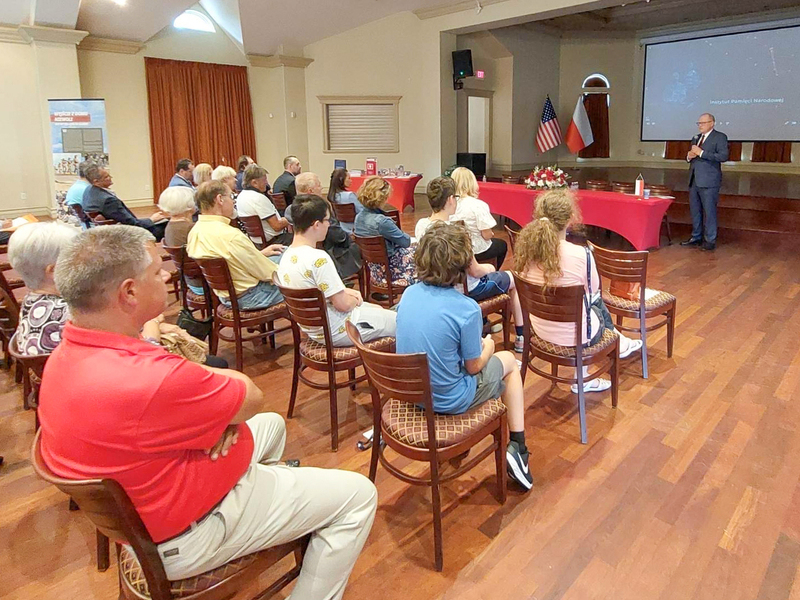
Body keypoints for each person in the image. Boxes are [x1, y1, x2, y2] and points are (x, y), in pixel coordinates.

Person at [38, 225, 376, 598]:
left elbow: (224, 407)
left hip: (150, 497)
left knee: (271, 426)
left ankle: (269, 507)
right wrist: (218, 405)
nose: (167, 275)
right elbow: (250, 394)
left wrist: (220, 419)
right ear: (129, 292)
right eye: (156, 271)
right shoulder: (150, 377)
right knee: (358, 495)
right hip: (186, 533)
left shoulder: (63, 356)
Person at [396, 222, 532, 490]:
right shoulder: (466, 309)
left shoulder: (409, 294)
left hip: (412, 393)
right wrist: (489, 347)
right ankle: (519, 446)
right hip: (450, 399)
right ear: (463, 263)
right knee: (510, 363)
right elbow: (473, 368)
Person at [515, 189, 643, 393]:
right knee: (594, 303)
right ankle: (587, 374)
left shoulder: (526, 253)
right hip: (578, 337)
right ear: (569, 220)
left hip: (539, 330)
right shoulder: (582, 254)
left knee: (585, 304)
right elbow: (593, 294)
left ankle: (621, 341)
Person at [417, 176, 526, 352]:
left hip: (436, 286)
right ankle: (521, 336)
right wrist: (490, 268)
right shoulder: (457, 232)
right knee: (513, 279)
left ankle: (483, 321)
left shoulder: (421, 226)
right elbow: (475, 271)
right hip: (465, 289)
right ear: (451, 199)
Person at [279, 195, 395, 346]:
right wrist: (354, 299)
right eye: (327, 220)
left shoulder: (287, 255)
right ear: (316, 225)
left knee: (378, 309)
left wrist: (347, 293)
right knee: (400, 322)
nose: (329, 225)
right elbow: (343, 305)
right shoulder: (318, 259)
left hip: (315, 329)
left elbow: (324, 293)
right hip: (337, 330)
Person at [187, 180, 285, 311]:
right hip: (254, 297)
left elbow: (229, 262)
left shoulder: (195, 232)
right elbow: (267, 273)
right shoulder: (231, 236)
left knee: (281, 255)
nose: (234, 202)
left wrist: (260, 255)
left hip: (226, 297)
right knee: (303, 275)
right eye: (231, 197)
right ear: (220, 199)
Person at [8, 222, 79, 355]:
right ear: (54, 271)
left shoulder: (32, 298)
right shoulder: (69, 313)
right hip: (65, 372)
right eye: (78, 262)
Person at [286, 172, 362, 280]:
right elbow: (337, 236)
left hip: (300, 251)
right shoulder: (320, 209)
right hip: (329, 251)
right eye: (319, 185)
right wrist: (349, 237)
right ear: (310, 191)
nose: (321, 188)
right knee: (356, 247)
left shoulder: (289, 210)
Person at [354, 176, 416, 289]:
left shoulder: (358, 218)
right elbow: (405, 241)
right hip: (390, 269)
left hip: (373, 268)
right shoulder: (382, 222)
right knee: (421, 252)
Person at [82, 164, 167, 241]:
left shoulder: (88, 191)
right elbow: (132, 224)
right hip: (127, 234)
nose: (111, 177)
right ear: (96, 181)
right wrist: (151, 220)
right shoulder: (109, 201)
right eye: (106, 177)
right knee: (169, 225)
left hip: (108, 231)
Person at [682, 113, 728, 251]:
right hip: (694, 179)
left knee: (709, 211)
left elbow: (723, 156)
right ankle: (696, 237)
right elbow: (692, 156)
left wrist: (701, 153)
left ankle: (710, 240)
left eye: (703, 123)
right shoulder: (696, 138)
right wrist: (689, 156)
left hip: (709, 181)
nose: (700, 125)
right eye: (699, 123)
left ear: (712, 123)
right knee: (695, 211)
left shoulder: (720, 137)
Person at [451, 167, 507, 269]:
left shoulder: (448, 204)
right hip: (475, 249)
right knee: (502, 245)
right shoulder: (478, 205)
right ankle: (492, 272)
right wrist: (491, 234)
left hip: (454, 247)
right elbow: (486, 235)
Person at [236, 164, 293, 246]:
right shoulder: (258, 198)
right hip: (274, 241)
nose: (267, 183)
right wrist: (292, 218)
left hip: (256, 242)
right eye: (264, 179)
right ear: (254, 182)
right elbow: (276, 226)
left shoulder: (241, 196)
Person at [327, 168, 364, 234]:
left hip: (342, 228)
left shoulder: (333, 195)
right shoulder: (350, 196)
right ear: (341, 180)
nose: (351, 180)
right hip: (356, 228)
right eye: (349, 178)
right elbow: (362, 212)